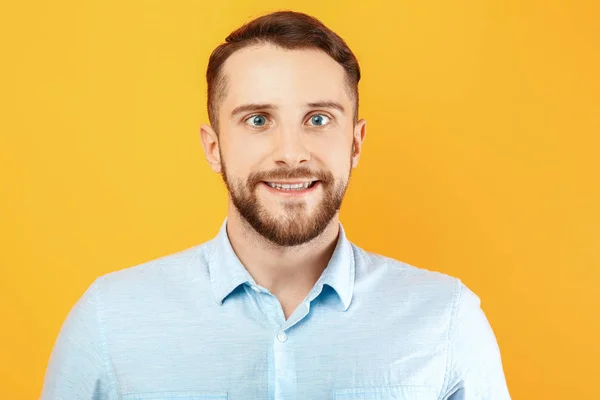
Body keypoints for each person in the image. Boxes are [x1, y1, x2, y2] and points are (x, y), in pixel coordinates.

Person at [41, 10, 511, 400]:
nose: (290, 152)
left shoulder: (447, 321)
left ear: (356, 142)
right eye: (258, 119)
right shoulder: (109, 320)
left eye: (319, 118)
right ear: (213, 147)